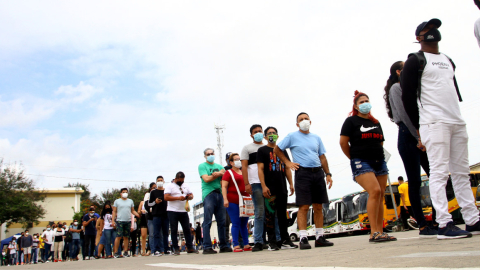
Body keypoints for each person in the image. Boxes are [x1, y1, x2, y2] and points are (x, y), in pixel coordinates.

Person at [401, 18, 480, 238]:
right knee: (438, 173)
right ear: (419, 37)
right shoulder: (415, 60)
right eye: (428, 29)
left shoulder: (448, 60)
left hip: (456, 120)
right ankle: (444, 223)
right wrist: (418, 127)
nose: (433, 32)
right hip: (433, 123)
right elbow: (407, 97)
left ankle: (472, 219)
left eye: (435, 29)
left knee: (462, 173)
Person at [384, 60, 437, 238]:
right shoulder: (396, 89)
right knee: (414, 181)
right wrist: (418, 137)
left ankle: (437, 220)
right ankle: (422, 225)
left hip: (420, 133)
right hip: (409, 135)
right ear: (399, 72)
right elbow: (406, 115)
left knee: (435, 176)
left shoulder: (412, 88)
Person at [340, 91, 395, 242]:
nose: (365, 104)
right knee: (374, 191)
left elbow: (380, 141)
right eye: (361, 102)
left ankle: (380, 231)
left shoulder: (375, 122)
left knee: (381, 194)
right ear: (356, 106)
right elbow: (343, 143)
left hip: (379, 161)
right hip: (361, 161)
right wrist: (354, 157)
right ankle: (373, 232)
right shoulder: (351, 122)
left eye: (367, 101)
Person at [275, 112, 334, 249]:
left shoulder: (316, 138)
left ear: (310, 121)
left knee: (318, 206)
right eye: (301, 119)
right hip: (303, 173)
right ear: (297, 124)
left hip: (318, 172)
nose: (304, 121)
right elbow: (278, 149)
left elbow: (322, 157)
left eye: (306, 118)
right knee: (304, 207)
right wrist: (288, 163)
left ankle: (320, 237)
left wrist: (328, 174)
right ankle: (303, 238)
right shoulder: (292, 136)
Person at [257, 127, 298, 250]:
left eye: (274, 133)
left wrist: (291, 183)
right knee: (270, 215)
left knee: (282, 215)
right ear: (265, 137)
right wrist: (263, 186)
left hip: (282, 187)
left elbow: (287, 167)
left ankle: (285, 240)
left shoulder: (282, 150)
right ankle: (272, 242)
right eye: (269, 133)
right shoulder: (262, 150)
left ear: (277, 136)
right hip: (270, 188)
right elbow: (260, 169)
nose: (271, 135)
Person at [198, 148, 232, 254]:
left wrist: (218, 174)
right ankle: (207, 246)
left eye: (212, 153)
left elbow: (225, 174)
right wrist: (218, 175)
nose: (210, 155)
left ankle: (224, 245)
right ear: (205, 156)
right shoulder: (202, 166)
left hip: (220, 194)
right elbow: (206, 179)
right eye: (208, 154)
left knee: (222, 221)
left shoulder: (219, 166)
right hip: (209, 194)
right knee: (208, 220)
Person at [240, 125, 266, 252]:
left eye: (260, 131)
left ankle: (272, 239)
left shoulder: (267, 147)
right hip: (255, 183)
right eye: (255, 132)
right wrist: (246, 183)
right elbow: (244, 167)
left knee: (271, 212)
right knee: (259, 212)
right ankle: (258, 241)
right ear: (251, 135)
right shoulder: (247, 148)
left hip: (268, 183)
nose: (258, 133)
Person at [221, 153, 252, 252]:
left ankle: (246, 244)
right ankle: (236, 245)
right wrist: (225, 199)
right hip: (233, 201)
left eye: (239, 159)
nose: (238, 161)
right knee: (236, 223)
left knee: (244, 223)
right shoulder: (228, 173)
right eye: (235, 159)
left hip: (245, 200)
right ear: (231, 162)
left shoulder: (244, 171)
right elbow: (224, 186)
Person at [164, 172, 198, 255]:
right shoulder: (170, 186)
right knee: (174, 229)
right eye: (179, 181)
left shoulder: (185, 185)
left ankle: (190, 247)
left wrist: (189, 197)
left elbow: (191, 194)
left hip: (183, 210)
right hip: (172, 211)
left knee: (187, 229)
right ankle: (175, 248)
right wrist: (178, 198)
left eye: (182, 181)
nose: (181, 182)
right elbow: (166, 197)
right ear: (176, 178)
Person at [113, 188, 140, 258]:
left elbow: (132, 210)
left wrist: (137, 214)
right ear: (120, 193)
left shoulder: (130, 201)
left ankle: (125, 252)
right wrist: (113, 220)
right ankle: (116, 252)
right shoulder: (117, 201)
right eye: (123, 192)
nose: (125, 193)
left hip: (128, 220)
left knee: (126, 237)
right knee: (118, 236)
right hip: (119, 220)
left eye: (126, 192)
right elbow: (114, 211)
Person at [146, 177, 170, 256]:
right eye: (158, 181)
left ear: (164, 181)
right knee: (156, 233)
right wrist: (155, 202)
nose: (160, 182)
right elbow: (149, 204)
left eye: (161, 180)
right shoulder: (153, 192)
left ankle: (166, 249)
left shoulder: (167, 191)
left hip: (166, 215)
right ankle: (156, 250)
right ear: (156, 182)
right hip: (156, 215)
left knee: (165, 233)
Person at [143, 182, 156, 256]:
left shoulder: (158, 193)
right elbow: (146, 205)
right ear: (150, 188)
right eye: (153, 187)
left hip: (157, 215)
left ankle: (158, 249)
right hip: (150, 216)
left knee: (158, 233)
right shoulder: (147, 195)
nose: (155, 188)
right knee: (151, 234)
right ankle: (151, 249)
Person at [137, 190, 150, 256]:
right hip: (143, 217)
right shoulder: (142, 202)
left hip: (150, 217)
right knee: (143, 235)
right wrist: (141, 211)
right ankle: (143, 250)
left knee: (151, 234)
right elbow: (138, 211)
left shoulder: (151, 202)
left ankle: (149, 249)